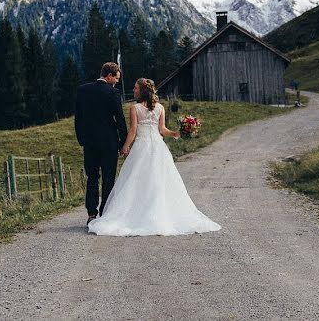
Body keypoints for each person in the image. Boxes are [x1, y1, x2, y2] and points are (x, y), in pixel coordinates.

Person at [88, 78, 221, 236]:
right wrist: (175, 134)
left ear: (142, 90)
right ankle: (157, 214)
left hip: (142, 147)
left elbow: (133, 131)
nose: (134, 90)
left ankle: (140, 213)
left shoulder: (135, 108)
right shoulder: (160, 108)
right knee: (157, 180)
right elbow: (163, 130)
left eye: (136, 88)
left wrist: (125, 146)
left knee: (137, 180)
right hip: (158, 147)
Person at [74, 62, 128, 226]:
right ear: (109, 75)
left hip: (89, 142)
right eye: (116, 78)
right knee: (108, 178)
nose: (117, 81)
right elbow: (120, 119)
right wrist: (123, 143)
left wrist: (81, 139)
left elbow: (78, 118)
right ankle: (105, 212)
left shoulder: (83, 90)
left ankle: (91, 213)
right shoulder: (113, 92)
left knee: (92, 177)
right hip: (109, 142)